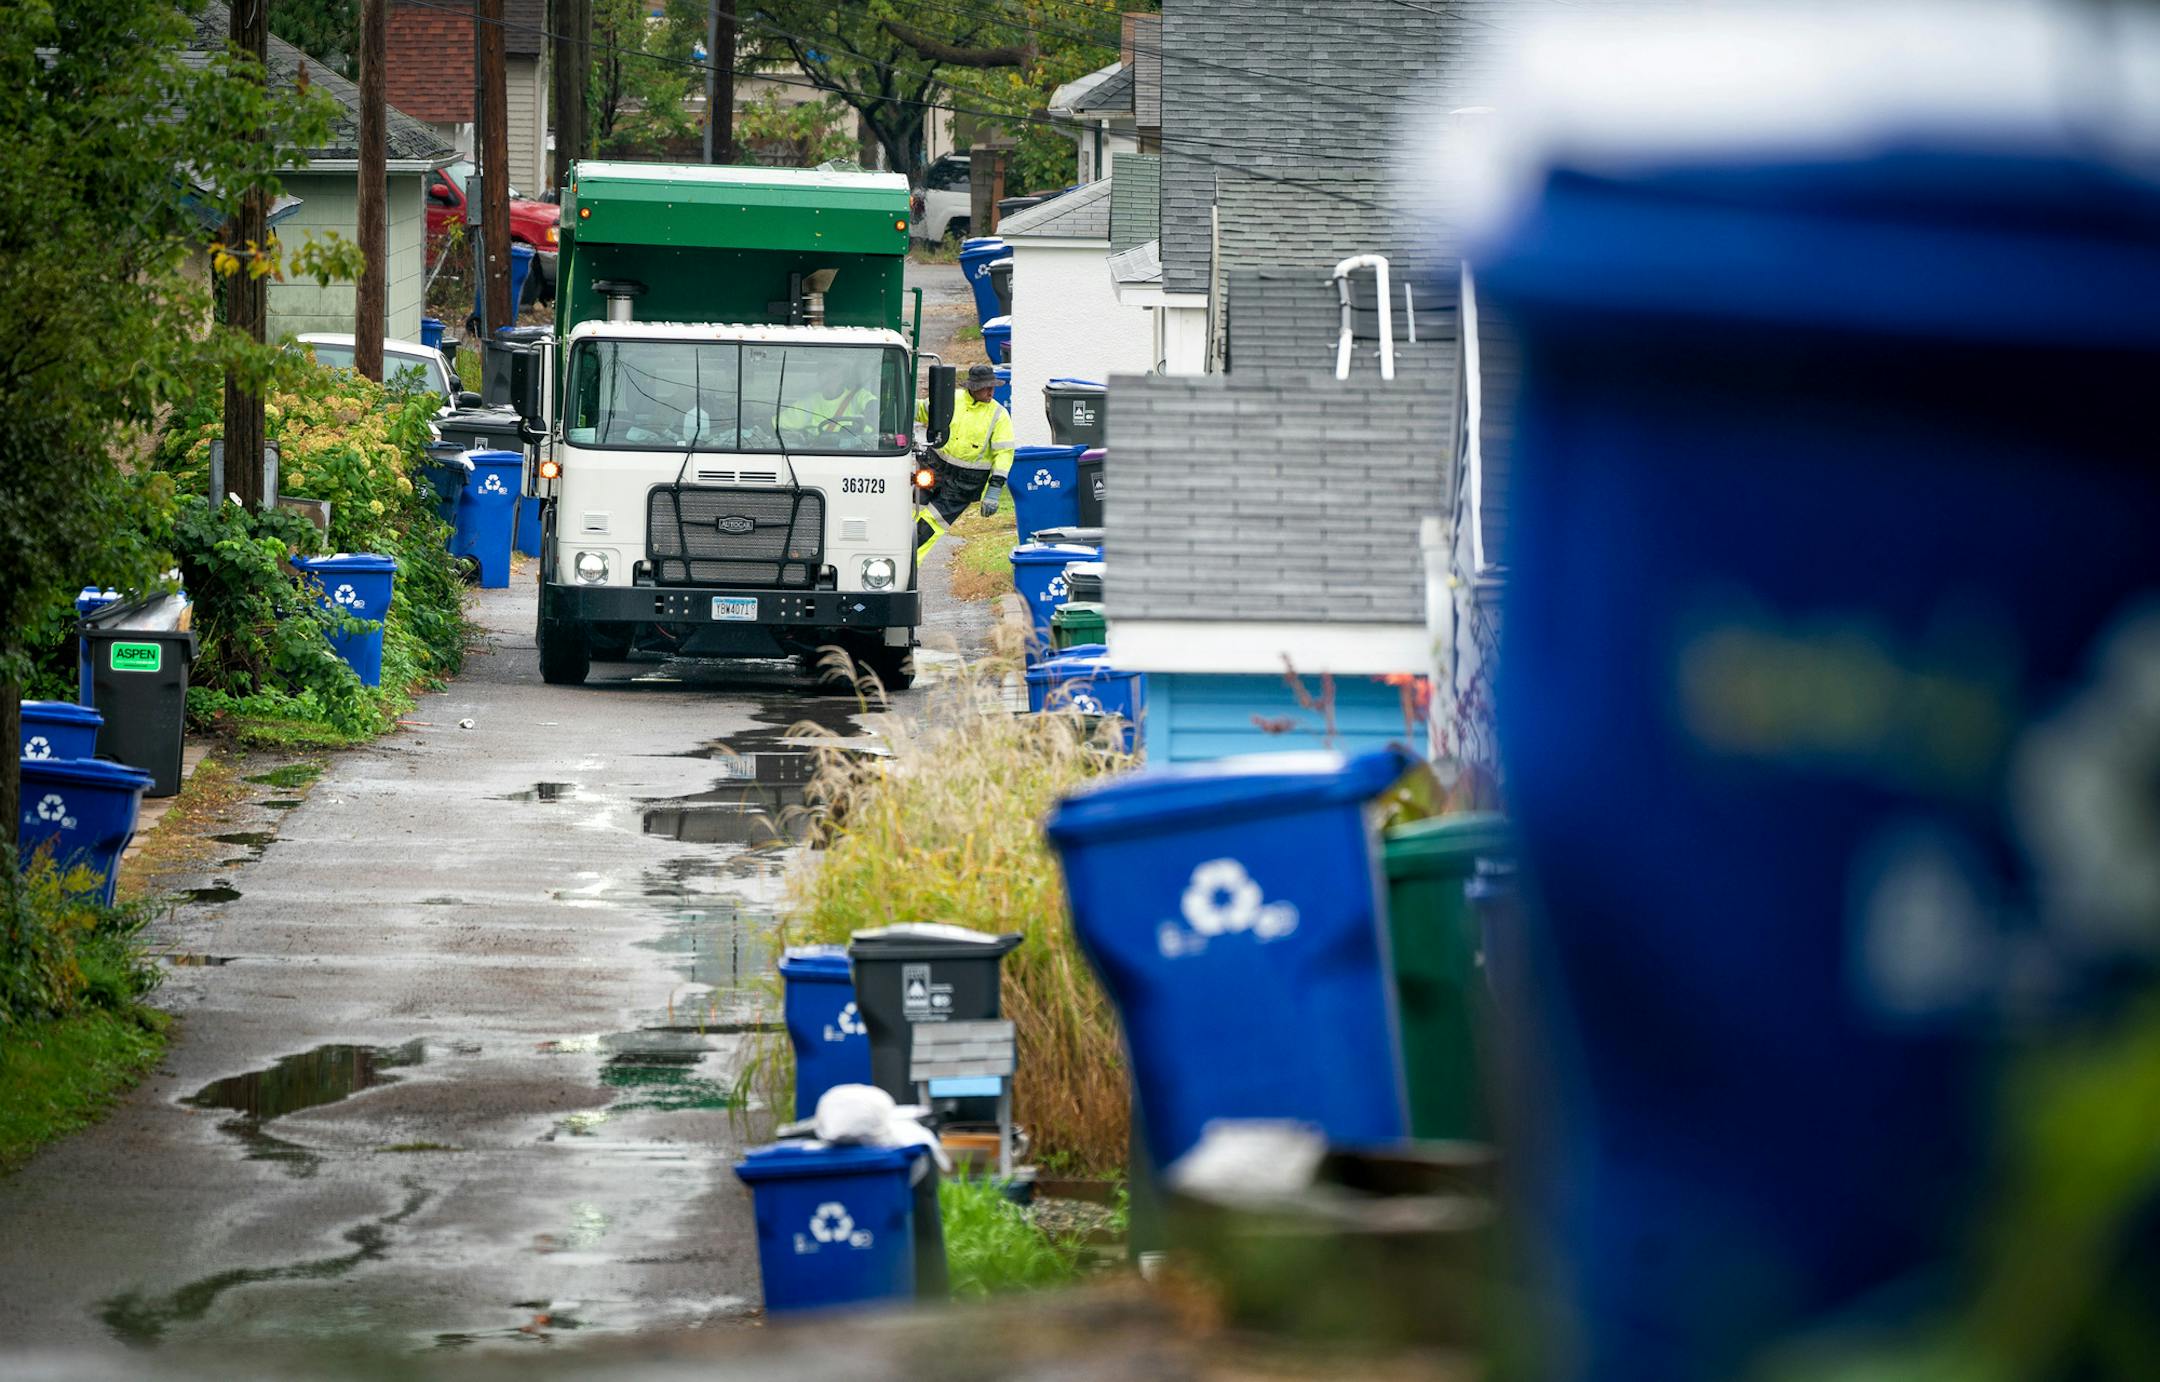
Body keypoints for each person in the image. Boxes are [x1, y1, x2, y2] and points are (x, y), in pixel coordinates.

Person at [912, 363, 1015, 561]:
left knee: (929, 527)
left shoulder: (999, 415)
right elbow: (923, 410)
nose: (991, 391)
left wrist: (994, 489)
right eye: (986, 387)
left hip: (965, 484)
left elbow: (1004, 453)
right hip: (934, 467)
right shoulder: (952, 399)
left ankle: (908, 568)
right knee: (906, 515)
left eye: (992, 386)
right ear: (973, 387)